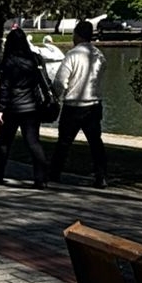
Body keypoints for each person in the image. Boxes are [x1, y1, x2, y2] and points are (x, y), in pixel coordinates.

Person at [0, 27, 49, 189]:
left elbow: (5, 88)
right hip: (31, 107)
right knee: (33, 142)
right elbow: (41, 82)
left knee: (5, 142)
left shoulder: (9, 62)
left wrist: (0, 109)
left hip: (13, 108)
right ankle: (41, 177)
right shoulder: (35, 59)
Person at [48, 20, 108, 188]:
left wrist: (58, 95)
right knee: (95, 142)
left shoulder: (73, 55)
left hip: (74, 105)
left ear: (78, 35)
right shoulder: (99, 55)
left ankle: (55, 173)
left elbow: (60, 81)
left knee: (64, 142)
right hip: (93, 104)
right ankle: (101, 175)